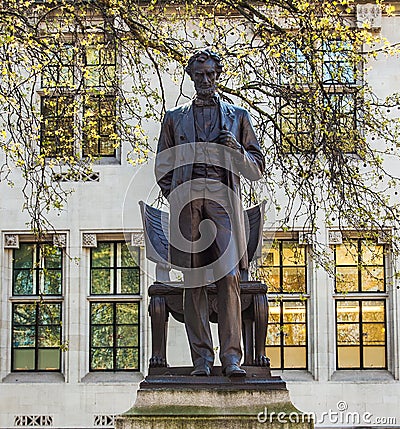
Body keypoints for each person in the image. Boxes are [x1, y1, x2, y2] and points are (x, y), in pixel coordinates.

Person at [155, 49, 265, 377]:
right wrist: (176, 195)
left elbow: (256, 169)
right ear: (190, 76)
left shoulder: (238, 117)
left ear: (218, 75)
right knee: (194, 280)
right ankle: (201, 358)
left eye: (210, 74)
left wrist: (237, 149)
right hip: (188, 206)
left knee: (229, 275)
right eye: (199, 75)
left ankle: (232, 357)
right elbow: (162, 165)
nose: (205, 80)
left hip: (223, 203)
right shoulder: (174, 118)